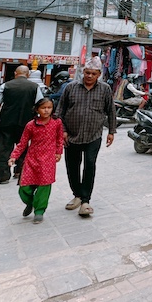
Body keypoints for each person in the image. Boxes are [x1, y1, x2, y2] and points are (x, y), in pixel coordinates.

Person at [56, 57, 116, 218]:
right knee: (72, 166)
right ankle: (77, 194)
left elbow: (111, 111)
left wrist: (111, 131)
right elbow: (59, 112)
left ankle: (85, 200)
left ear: (98, 75)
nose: (89, 76)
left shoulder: (105, 89)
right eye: (87, 73)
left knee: (90, 165)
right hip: (72, 135)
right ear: (83, 72)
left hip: (93, 134)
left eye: (93, 74)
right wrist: (63, 131)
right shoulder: (70, 88)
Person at [9, 98, 64, 223]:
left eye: (49, 107)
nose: (46, 110)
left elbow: (59, 138)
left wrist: (58, 152)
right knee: (24, 187)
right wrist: (14, 156)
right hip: (32, 159)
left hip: (48, 160)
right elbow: (22, 143)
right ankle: (30, 203)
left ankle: (39, 210)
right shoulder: (30, 125)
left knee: (44, 186)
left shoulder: (57, 123)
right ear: (37, 109)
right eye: (43, 107)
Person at [0, 65, 43, 184]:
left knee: (4, 149)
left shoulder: (5, 85)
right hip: (26, 123)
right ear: (28, 74)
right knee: (23, 148)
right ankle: (19, 172)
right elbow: (40, 104)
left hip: (6, 122)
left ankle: (3, 176)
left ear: (15, 73)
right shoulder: (34, 87)